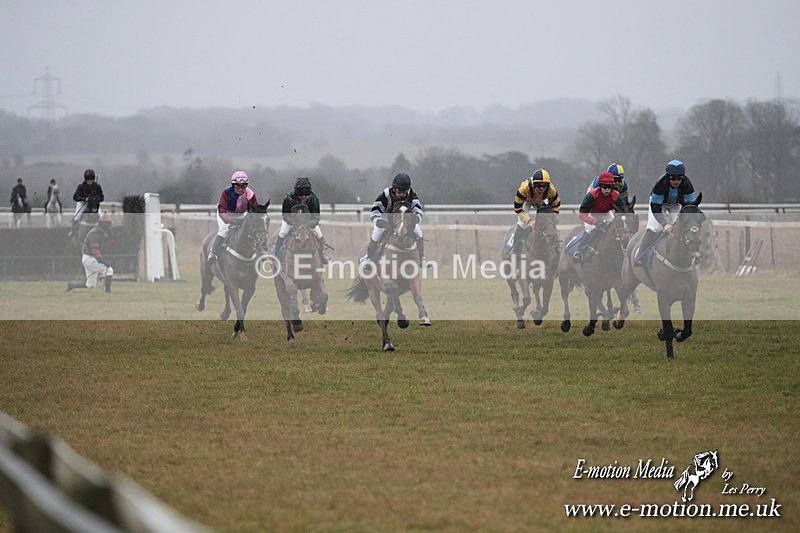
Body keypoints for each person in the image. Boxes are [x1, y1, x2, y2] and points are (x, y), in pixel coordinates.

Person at [634, 159, 698, 267]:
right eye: (673, 178)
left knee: (683, 226)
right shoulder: (660, 184)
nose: (676, 181)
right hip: (659, 205)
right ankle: (640, 255)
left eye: (679, 178)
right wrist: (664, 224)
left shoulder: (687, 185)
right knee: (654, 227)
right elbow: (656, 208)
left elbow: (689, 207)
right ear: (668, 176)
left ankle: (692, 254)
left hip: (676, 204)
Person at [360, 173, 426, 265]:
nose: (402, 195)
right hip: (386, 219)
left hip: (404, 221)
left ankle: (421, 258)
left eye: (404, 192)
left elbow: (417, 209)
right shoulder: (386, 195)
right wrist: (379, 221)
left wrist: (416, 218)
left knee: (419, 232)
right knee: (377, 233)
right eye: (399, 192)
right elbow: (375, 210)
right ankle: (369, 257)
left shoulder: (411, 195)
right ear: (394, 189)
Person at [269, 177, 330, 264]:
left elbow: (316, 217)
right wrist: (293, 223)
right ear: (297, 193)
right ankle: (275, 250)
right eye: (301, 195)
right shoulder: (288, 197)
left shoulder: (314, 199)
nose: (304, 197)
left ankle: (321, 254)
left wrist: (311, 223)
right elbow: (285, 215)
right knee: (283, 232)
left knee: (319, 235)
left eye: (306, 195)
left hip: (308, 222)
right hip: (291, 221)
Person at [572, 172, 627, 263]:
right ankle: (579, 251)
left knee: (616, 229)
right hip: (592, 213)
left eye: (609, 187)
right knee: (590, 230)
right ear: (600, 186)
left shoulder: (616, 196)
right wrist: (594, 222)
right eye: (604, 187)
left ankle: (622, 250)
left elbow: (622, 212)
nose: (607, 189)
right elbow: (582, 214)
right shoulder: (591, 196)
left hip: (606, 213)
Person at [207, 170, 260, 265]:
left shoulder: (250, 194)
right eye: (238, 186)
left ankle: (260, 253)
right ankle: (213, 253)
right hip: (226, 212)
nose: (240, 189)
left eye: (243, 186)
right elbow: (222, 210)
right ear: (233, 185)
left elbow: (254, 210)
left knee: (251, 230)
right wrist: (231, 220)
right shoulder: (226, 192)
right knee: (224, 230)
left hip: (241, 213)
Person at [510, 168, 561, 254]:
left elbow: (556, 207)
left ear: (548, 186)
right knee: (522, 224)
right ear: (534, 185)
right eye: (539, 186)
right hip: (527, 200)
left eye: (544, 186)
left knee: (550, 224)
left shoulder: (552, 190)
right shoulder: (524, 188)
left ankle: (556, 247)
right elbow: (517, 208)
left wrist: (551, 219)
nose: (541, 189)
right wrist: (529, 221)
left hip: (542, 201)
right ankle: (515, 248)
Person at [66, 217, 115, 292]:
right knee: (109, 270)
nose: (109, 227)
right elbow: (96, 253)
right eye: (108, 225)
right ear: (103, 225)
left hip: (91, 259)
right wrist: (105, 263)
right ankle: (108, 292)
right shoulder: (94, 234)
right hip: (89, 260)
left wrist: (111, 236)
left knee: (90, 285)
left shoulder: (101, 233)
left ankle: (71, 285)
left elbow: (107, 244)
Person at [70, 169, 104, 237]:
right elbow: (75, 197)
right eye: (88, 179)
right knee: (78, 216)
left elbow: (101, 197)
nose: (90, 180)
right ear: (86, 179)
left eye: (92, 179)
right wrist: (84, 198)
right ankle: (73, 231)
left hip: (94, 204)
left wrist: (95, 199)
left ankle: (105, 231)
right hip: (83, 203)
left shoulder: (97, 186)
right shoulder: (81, 186)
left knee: (101, 216)